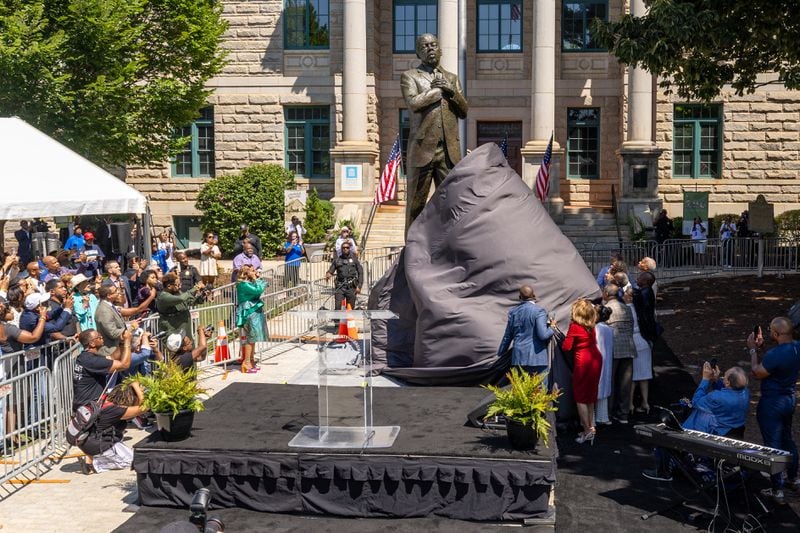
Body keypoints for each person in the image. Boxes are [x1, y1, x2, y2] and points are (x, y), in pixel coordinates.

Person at [401, 33, 468, 231]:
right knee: (416, 204)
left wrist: (451, 91)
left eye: (433, 45)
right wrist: (438, 92)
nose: (430, 48)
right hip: (422, 150)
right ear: (418, 52)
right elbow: (413, 103)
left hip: (449, 152)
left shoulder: (452, 78)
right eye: (425, 46)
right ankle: (411, 252)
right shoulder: (410, 76)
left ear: (440, 49)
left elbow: (464, 111)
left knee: (453, 203)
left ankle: (451, 247)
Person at [642, 364, 749, 482]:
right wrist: (717, 380)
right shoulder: (745, 393)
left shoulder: (716, 397)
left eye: (724, 377)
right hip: (729, 430)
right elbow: (727, 390)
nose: (723, 378)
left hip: (712, 433)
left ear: (728, 383)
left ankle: (663, 472)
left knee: (666, 434)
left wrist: (705, 379)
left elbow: (696, 402)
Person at [748, 317, 800, 504]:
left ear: (777, 334)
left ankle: (777, 489)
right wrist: (762, 349)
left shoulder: (775, 354)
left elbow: (757, 372)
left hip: (772, 402)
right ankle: (794, 478)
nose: (769, 332)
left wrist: (753, 350)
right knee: (787, 439)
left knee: (773, 445)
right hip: (789, 398)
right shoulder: (796, 347)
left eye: (770, 330)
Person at [76, 380, 147, 475]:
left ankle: (92, 456)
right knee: (131, 461)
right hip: (96, 444)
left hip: (86, 440)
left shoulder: (103, 399)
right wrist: (135, 386)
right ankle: (95, 465)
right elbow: (144, 407)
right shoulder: (116, 410)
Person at [562, 299, 602, 444]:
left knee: (580, 398)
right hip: (595, 358)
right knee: (590, 396)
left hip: (583, 361)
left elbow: (566, 347)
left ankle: (587, 431)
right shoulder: (592, 324)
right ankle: (591, 427)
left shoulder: (574, 326)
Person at [496, 285, 556, 375]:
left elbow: (507, 336)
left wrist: (501, 353)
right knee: (540, 388)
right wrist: (552, 327)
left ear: (520, 297)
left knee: (521, 388)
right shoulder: (539, 311)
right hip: (537, 359)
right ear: (534, 296)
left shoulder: (513, 312)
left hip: (518, 358)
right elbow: (543, 335)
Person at [603, 283, 636, 424]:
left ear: (606, 293)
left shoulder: (607, 309)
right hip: (628, 347)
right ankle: (623, 414)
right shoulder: (626, 308)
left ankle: (608, 414)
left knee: (610, 383)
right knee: (625, 383)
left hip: (613, 349)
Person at [235, 265, 267, 373]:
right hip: (248, 312)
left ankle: (252, 361)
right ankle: (246, 362)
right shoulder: (243, 284)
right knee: (250, 338)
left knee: (253, 338)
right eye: (253, 271)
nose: (255, 272)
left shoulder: (248, 283)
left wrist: (256, 278)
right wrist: (257, 279)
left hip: (254, 312)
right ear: (247, 273)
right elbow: (258, 290)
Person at [625, 288, 652, 415]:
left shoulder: (627, 309)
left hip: (633, 341)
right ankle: (645, 402)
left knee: (633, 375)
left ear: (630, 297)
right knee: (644, 375)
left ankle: (630, 404)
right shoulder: (641, 308)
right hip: (644, 342)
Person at [155, 272, 204, 342]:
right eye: (177, 285)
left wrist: (202, 296)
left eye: (180, 284)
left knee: (190, 349)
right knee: (177, 350)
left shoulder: (177, 293)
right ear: (169, 286)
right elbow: (181, 299)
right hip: (173, 331)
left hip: (185, 329)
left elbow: (190, 302)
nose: (180, 287)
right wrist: (196, 288)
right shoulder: (163, 297)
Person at [325, 242, 363, 311]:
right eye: (344, 248)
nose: (345, 249)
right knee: (338, 307)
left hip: (351, 287)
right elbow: (331, 270)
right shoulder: (337, 260)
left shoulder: (354, 260)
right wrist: (328, 274)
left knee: (350, 308)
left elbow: (360, 272)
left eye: (347, 247)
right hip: (340, 287)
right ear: (341, 249)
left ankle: (348, 321)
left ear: (349, 249)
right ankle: (337, 321)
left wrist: (359, 285)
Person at [594, 305, 614, 426]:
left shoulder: (595, 329)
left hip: (597, 359)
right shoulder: (609, 329)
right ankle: (603, 416)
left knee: (595, 387)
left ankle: (592, 418)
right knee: (604, 384)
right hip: (606, 359)